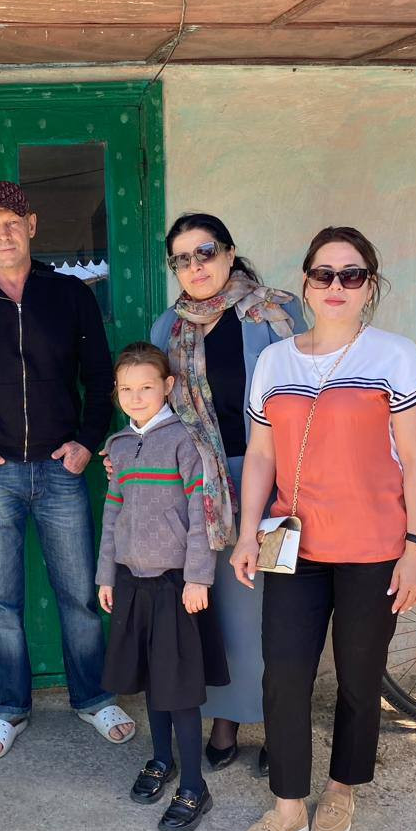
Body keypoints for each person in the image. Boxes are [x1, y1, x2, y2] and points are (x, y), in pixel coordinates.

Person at [232, 226, 416, 831]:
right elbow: (261, 455)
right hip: (292, 545)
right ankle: (288, 805)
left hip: (373, 548)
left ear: (370, 285)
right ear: (305, 282)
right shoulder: (276, 361)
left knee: (358, 675)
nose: (336, 286)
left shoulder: (395, 356)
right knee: (284, 675)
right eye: (324, 274)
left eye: (352, 274)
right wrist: (246, 533)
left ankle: (343, 785)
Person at [0, 180, 135, 760]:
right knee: (2, 602)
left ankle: (93, 697)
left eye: (13, 222)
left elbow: (99, 381)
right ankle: (9, 707)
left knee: (79, 595)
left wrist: (87, 442)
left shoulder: (69, 296)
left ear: (32, 225)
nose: (4, 233)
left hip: (62, 471)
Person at [148, 214, 307, 775]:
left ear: (231, 252)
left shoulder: (277, 312)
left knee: (280, 608)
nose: (196, 266)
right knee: (223, 608)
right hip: (205, 489)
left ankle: (280, 722)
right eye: (182, 259)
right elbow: (156, 409)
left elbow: (310, 393)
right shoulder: (168, 327)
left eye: (206, 251)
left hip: (279, 479)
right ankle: (226, 720)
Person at [96, 342, 227, 831]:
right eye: (126, 389)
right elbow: (112, 513)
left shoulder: (184, 442)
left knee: (179, 688)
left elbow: (201, 513)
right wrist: (105, 574)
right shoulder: (118, 447)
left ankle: (194, 785)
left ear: (168, 387)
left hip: (176, 585)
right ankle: (160, 760)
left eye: (146, 387)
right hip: (132, 582)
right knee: (152, 679)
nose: (136, 397)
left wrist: (198, 577)